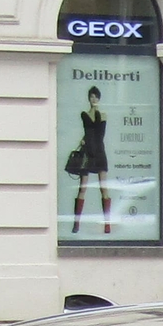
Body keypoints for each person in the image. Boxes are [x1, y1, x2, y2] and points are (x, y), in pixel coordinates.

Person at [70, 85, 111, 236]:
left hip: (99, 152)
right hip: (88, 152)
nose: (94, 99)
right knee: (83, 188)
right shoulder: (84, 114)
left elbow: (100, 132)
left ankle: (107, 224)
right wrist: (83, 141)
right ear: (89, 98)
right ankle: (76, 223)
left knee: (103, 188)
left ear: (99, 98)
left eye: (96, 97)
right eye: (92, 96)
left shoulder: (103, 115)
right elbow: (89, 131)